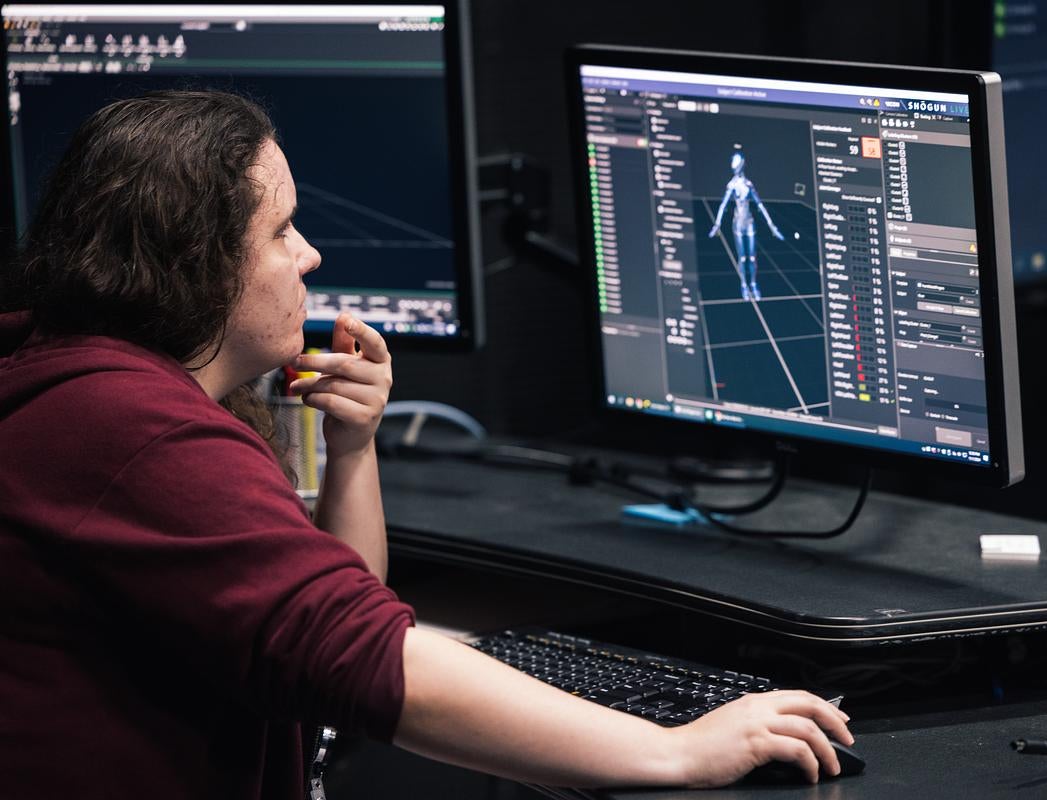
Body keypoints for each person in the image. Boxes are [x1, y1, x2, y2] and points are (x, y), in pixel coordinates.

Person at [0, 91, 853, 798]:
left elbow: (323, 620)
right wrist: (676, 748)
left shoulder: (83, 374)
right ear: (195, 263)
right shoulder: (130, 432)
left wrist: (355, 449)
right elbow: (363, 660)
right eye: (280, 232)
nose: (311, 254)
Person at [707, 145, 785, 301]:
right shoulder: (732, 185)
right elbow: (723, 204)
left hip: (749, 223)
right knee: (742, 258)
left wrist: (772, 226)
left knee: (752, 258)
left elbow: (760, 204)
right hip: (738, 224)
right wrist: (717, 224)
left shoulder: (748, 185)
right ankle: (744, 285)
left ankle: (753, 284)